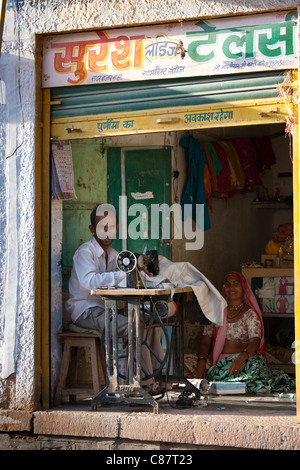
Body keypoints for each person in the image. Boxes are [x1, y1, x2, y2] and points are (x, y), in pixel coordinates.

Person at [65, 203, 169, 394]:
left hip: (107, 308)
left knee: (150, 322)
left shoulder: (114, 256)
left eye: (111, 227)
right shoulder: (85, 253)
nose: (107, 232)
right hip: (86, 310)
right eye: (102, 227)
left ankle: (155, 375)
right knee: (131, 324)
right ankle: (142, 383)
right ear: (92, 229)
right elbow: (89, 282)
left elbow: (130, 276)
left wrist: (154, 280)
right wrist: (121, 276)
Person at [191, 271, 295, 393]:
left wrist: (240, 359)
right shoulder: (217, 312)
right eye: (228, 284)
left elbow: (255, 342)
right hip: (218, 361)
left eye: (236, 284)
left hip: (244, 359)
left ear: (243, 288)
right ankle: (224, 380)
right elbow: (205, 340)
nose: (231, 288)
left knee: (255, 372)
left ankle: (223, 381)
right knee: (186, 363)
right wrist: (201, 361)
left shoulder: (250, 314)